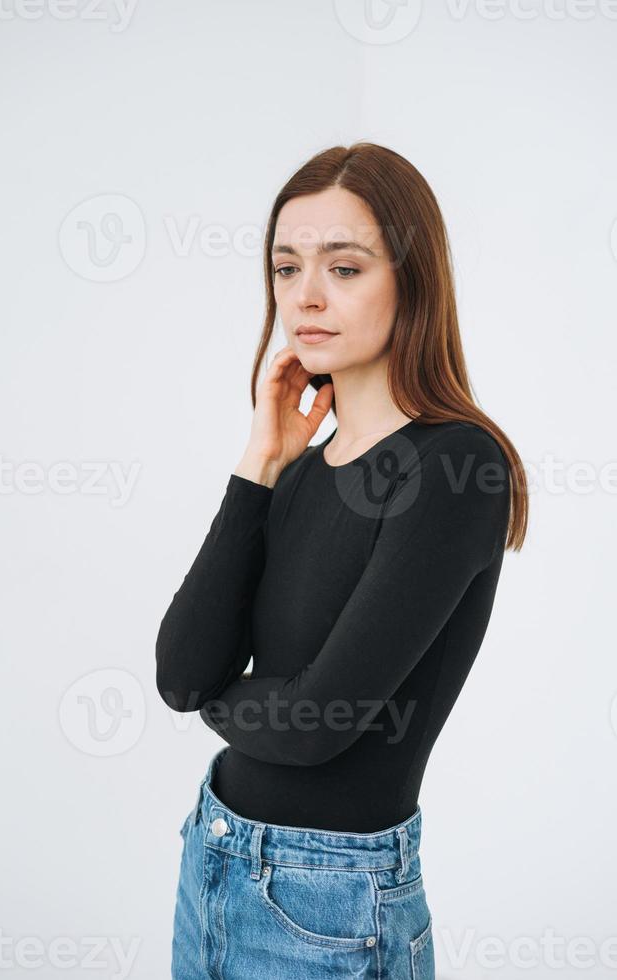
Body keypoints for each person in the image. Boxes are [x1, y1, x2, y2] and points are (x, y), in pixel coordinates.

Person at [156, 142, 528, 979]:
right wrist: (260, 463)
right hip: (213, 857)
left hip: (328, 903)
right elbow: (181, 671)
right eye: (286, 268)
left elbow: (313, 723)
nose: (306, 297)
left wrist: (216, 697)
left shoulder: (456, 467)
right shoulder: (299, 469)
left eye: (345, 268)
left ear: (413, 279)